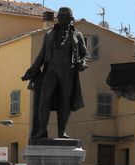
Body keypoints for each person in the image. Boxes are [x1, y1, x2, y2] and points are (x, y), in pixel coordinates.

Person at [22, 7, 89, 139]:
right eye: (60, 17)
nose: (62, 19)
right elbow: (41, 55)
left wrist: (83, 63)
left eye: (65, 17)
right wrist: (31, 70)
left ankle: (61, 132)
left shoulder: (77, 35)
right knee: (44, 100)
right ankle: (42, 130)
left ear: (71, 19)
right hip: (51, 71)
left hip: (68, 72)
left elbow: (85, 54)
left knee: (65, 102)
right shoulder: (49, 34)